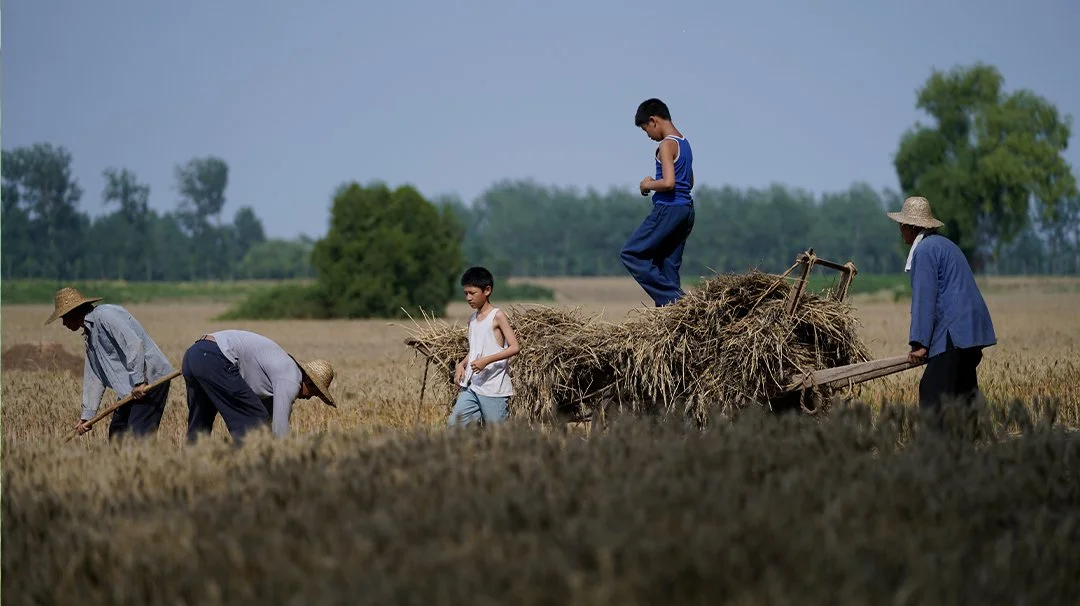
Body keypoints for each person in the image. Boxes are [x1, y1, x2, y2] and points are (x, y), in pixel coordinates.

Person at [887, 196, 996, 427]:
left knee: (932, 394)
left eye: (901, 225)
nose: (900, 231)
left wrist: (920, 344)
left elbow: (924, 299)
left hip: (954, 333)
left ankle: (937, 452)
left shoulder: (925, 251)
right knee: (963, 393)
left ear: (910, 226)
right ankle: (969, 449)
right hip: (971, 331)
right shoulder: (945, 245)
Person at [45, 287, 175, 440]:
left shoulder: (105, 315)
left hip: (150, 380)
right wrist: (87, 416)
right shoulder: (89, 334)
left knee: (138, 437)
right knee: (117, 435)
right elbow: (94, 375)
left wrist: (139, 381)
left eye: (63, 317)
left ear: (73, 312)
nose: (63, 323)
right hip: (131, 388)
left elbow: (133, 344)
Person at [181, 329, 337, 443]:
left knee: (200, 426)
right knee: (255, 423)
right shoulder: (291, 378)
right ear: (308, 380)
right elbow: (279, 428)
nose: (309, 398)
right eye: (314, 392)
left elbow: (268, 416)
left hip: (194, 354)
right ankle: (245, 472)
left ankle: (191, 471)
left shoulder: (276, 375)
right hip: (216, 357)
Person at [620, 97, 697, 307]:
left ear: (654, 121)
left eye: (646, 130)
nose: (648, 136)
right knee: (668, 264)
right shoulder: (684, 142)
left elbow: (670, 183)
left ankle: (678, 302)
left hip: (668, 209)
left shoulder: (666, 145)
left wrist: (648, 185)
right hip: (685, 210)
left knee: (631, 253)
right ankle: (673, 318)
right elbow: (689, 180)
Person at [449, 266, 521, 428]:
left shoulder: (497, 316)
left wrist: (486, 361)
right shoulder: (472, 319)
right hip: (472, 386)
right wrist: (462, 364)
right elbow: (475, 349)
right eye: (466, 293)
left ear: (487, 290)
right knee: (454, 426)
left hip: (493, 389)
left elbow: (514, 347)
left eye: (472, 293)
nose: (468, 298)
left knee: (497, 435)